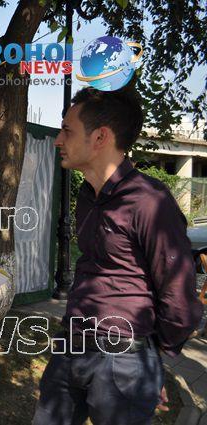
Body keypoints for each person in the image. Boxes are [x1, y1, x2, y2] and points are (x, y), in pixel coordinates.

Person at [32, 87, 203, 425]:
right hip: (72, 345)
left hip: (122, 356)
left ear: (100, 137)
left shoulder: (149, 201)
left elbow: (178, 295)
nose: (58, 140)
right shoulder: (87, 195)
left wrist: (148, 359)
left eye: (67, 130)